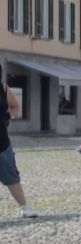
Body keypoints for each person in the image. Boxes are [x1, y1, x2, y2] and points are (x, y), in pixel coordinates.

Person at [0, 66, 37, 218]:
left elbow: (15, 106)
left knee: (11, 176)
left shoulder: (2, 88)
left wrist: (7, 116)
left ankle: (25, 207)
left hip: (2, 141)